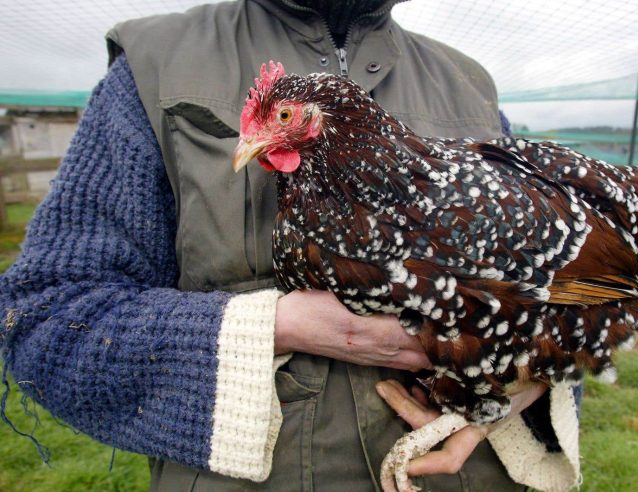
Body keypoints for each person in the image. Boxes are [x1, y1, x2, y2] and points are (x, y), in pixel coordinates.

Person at [0, 1, 580, 490]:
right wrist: (281, 324)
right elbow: (45, 317)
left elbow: (566, 291)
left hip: (457, 474)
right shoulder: (158, 62)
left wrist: (512, 393)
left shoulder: (469, 82)